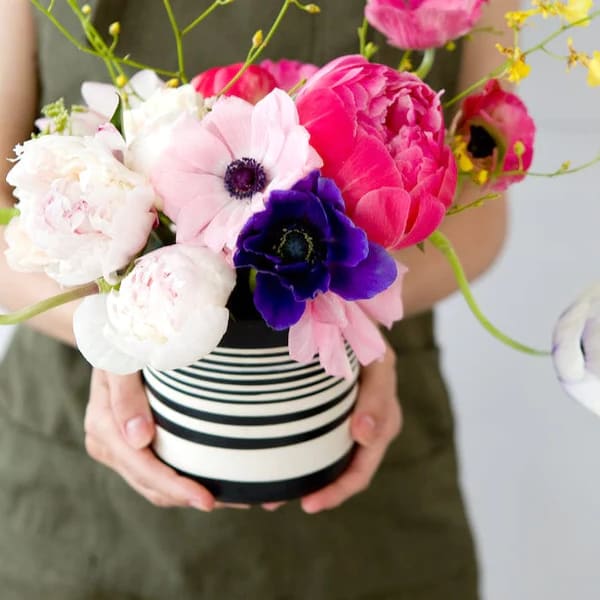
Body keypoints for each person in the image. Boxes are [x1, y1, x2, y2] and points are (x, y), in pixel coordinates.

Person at [0, 0, 516, 598]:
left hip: (364, 470)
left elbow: (484, 212)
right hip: (77, 487)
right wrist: (121, 333)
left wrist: (347, 308)